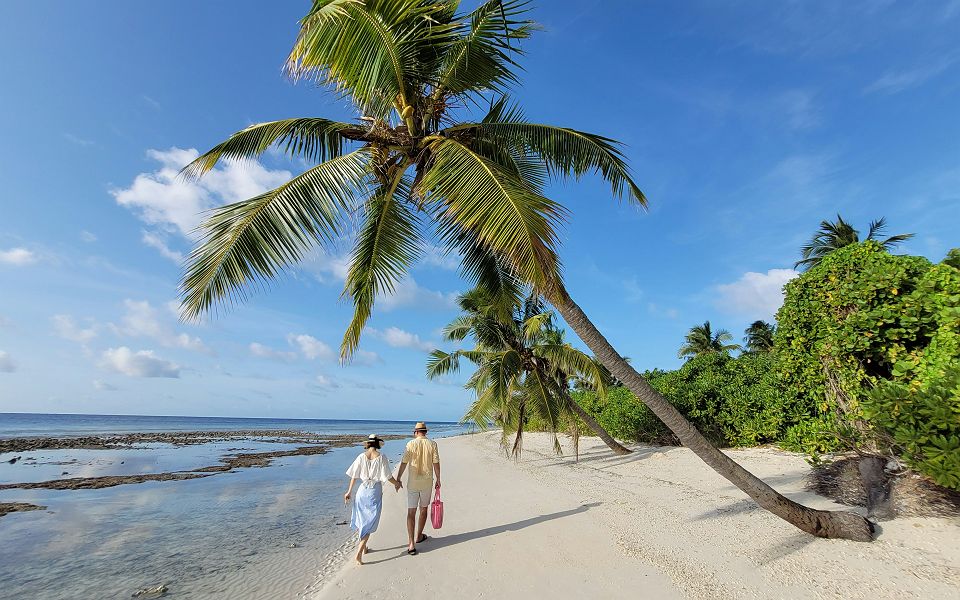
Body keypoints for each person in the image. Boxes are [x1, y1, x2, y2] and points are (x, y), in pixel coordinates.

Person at [344, 434, 402, 565]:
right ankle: (359, 553)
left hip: (361, 491)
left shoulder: (360, 456)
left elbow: (354, 475)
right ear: (377, 444)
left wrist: (349, 492)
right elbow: (388, 476)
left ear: (368, 444)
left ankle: (364, 548)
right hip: (374, 491)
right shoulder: (381, 457)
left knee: (362, 519)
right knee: (370, 521)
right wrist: (397, 483)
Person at [395, 422, 440, 555]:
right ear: (425, 432)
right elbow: (436, 463)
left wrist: (398, 478)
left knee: (411, 512)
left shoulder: (410, 444)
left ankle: (411, 544)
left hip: (413, 483)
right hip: (426, 482)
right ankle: (419, 535)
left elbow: (404, 462)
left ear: (416, 432)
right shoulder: (432, 444)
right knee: (424, 509)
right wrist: (439, 479)